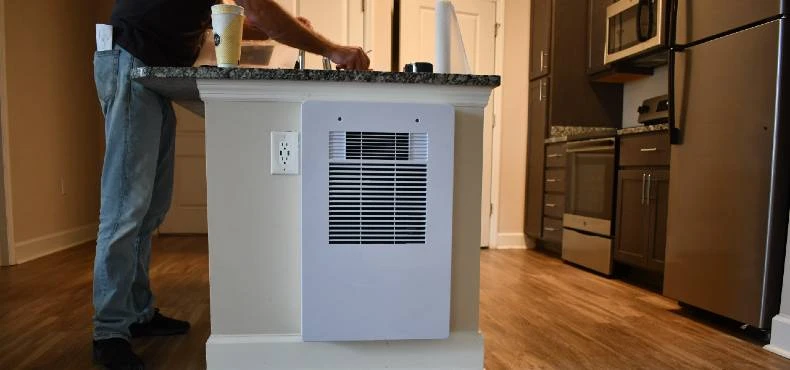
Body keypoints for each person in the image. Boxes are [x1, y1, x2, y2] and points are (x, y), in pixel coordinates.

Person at [92, 1, 370, 369]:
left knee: (150, 207)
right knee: (126, 207)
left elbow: (221, 22)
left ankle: (138, 313)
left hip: (148, 67)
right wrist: (332, 48)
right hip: (130, 60)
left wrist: (283, 28)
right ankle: (109, 332)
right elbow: (259, 12)